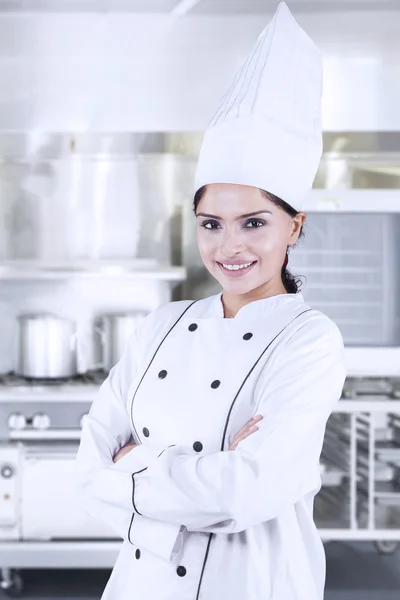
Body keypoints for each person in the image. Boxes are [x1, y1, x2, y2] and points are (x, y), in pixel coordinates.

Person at [75, 3, 347, 599]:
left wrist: (133, 464)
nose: (229, 247)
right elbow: (86, 475)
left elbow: (245, 493)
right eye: (211, 223)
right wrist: (199, 470)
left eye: (254, 222)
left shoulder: (309, 339)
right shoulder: (161, 326)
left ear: (294, 227)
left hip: (253, 584)